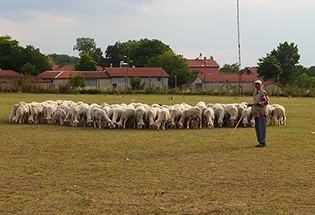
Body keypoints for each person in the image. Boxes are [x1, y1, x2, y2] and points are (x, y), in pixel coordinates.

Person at [247, 80, 269, 147]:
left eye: (258, 84)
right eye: (255, 84)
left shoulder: (263, 93)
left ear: (261, 85)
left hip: (261, 113)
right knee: (257, 128)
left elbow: (266, 101)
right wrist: (251, 105)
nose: (256, 86)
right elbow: (255, 102)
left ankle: (262, 142)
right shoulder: (255, 93)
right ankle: (260, 141)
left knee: (262, 128)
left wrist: (258, 103)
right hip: (256, 113)